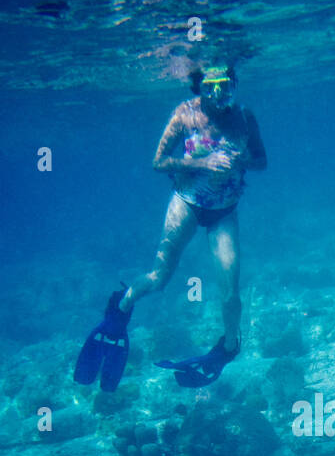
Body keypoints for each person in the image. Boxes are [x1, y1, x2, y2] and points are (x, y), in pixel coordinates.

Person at [75, 63, 267, 391]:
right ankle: (121, 307)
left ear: (235, 85)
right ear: (199, 87)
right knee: (159, 278)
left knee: (231, 294)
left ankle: (230, 346)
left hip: (225, 210)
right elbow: (159, 162)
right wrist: (201, 162)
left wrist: (242, 160)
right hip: (187, 203)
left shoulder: (245, 117)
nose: (218, 94)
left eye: (225, 86)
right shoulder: (185, 114)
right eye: (210, 87)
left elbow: (261, 161)